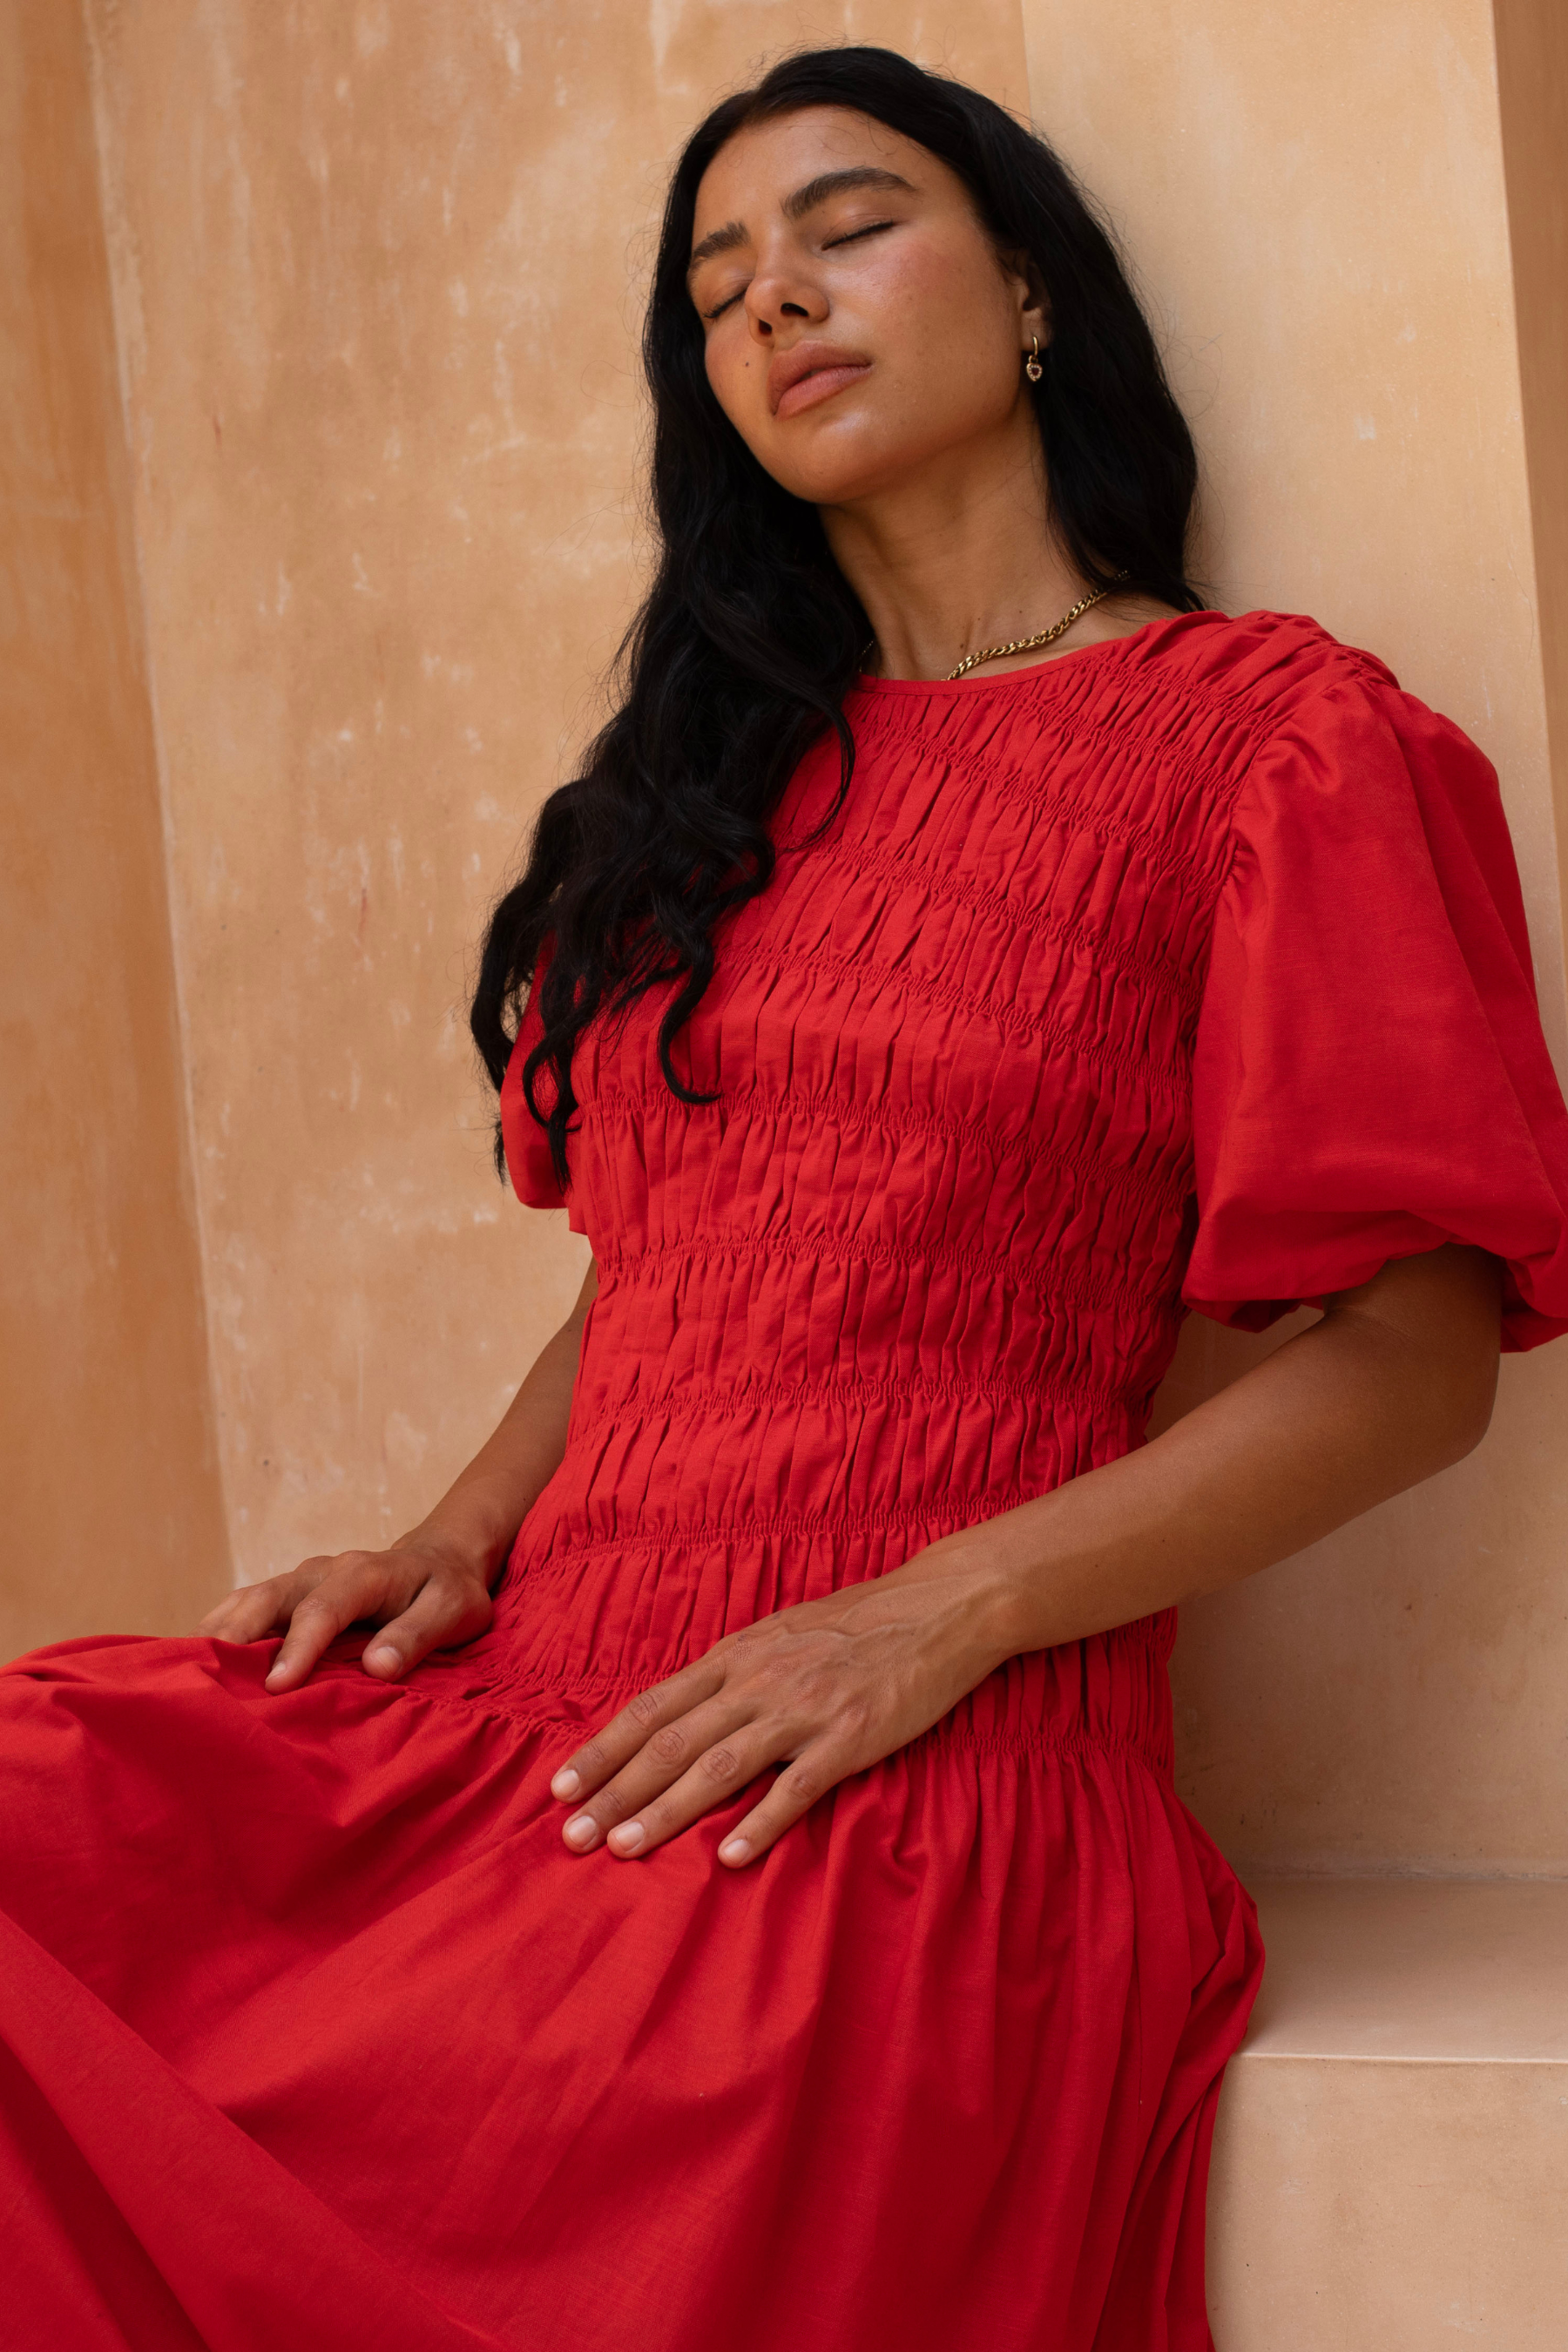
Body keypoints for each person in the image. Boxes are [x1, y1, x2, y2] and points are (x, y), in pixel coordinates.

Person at [6, 43, 1568, 2352]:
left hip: (907, 1771)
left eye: (848, 227)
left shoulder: (1271, 743)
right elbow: (677, 1257)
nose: (775, 297)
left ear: (1029, 293)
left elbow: (1415, 1363)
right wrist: (456, 1535)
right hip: (546, 1704)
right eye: (719, 279)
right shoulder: (718, 791)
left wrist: (926, 1616)